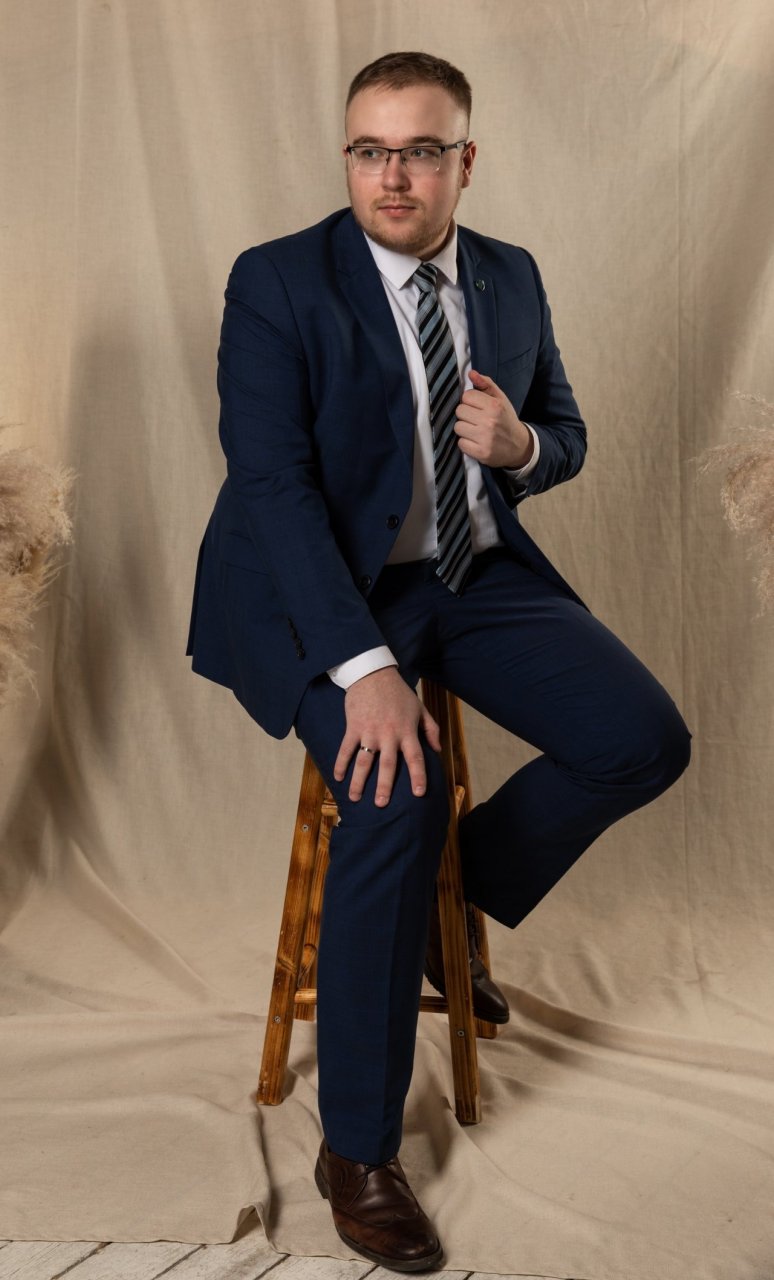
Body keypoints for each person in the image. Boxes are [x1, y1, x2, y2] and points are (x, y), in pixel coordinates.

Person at [186, 50, 691, 1273]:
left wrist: (522, 447)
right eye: (370, 150)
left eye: (420, 150)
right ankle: (358, 1148)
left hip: (466, 574)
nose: (393, 175)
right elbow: (273, 486)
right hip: (318, 590)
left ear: (467, 160)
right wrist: (362, 666)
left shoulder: (511, 275)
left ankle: (441, 905)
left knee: (642, 739)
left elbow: (564, 431)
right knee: (396, 796)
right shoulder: (277, 280)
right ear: (348, 157)